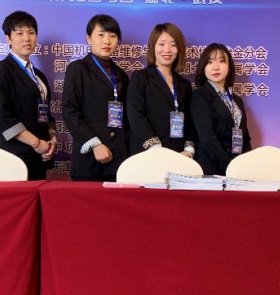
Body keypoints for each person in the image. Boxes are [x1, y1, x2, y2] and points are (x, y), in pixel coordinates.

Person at [0, 10, 57, 180]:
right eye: (20, 33)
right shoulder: (0, 71)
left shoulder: (39, 76)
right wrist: (36, 143)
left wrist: (52, 140)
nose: (26, 38)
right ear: (8, 38)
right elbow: (2, 117)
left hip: (39, 156)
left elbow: (46, 114)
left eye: (31, 33)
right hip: (11, 155)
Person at [62, 14, 129, 182]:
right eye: (101, 35)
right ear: (88, 38)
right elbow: (70, 111)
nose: (107, 41)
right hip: (89, 160)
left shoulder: (121, 74)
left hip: (118, 159)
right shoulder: (78, 69)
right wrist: (95, 144)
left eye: (112, 36)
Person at [126, 22, 196, 157]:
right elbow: (135, 115)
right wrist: (155, 148)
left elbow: (191, 121)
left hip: (178, 155)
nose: (167, 50)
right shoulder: (140, 77)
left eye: (173, 45)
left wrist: (188, 149)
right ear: (153, 46)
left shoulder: (184, 84)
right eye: (162, 44)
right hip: (147, 154)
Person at [191, 43, 252, 175]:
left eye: (221, 61)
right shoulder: (200, 96)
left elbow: (245, 137)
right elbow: (207, 137)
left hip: (237, 169)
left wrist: (245, 165)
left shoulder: (237, 100)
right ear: (203, 67)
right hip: (213, 169)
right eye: (210, 62)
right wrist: (228, 165)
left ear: (229, 66)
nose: (216, 67)